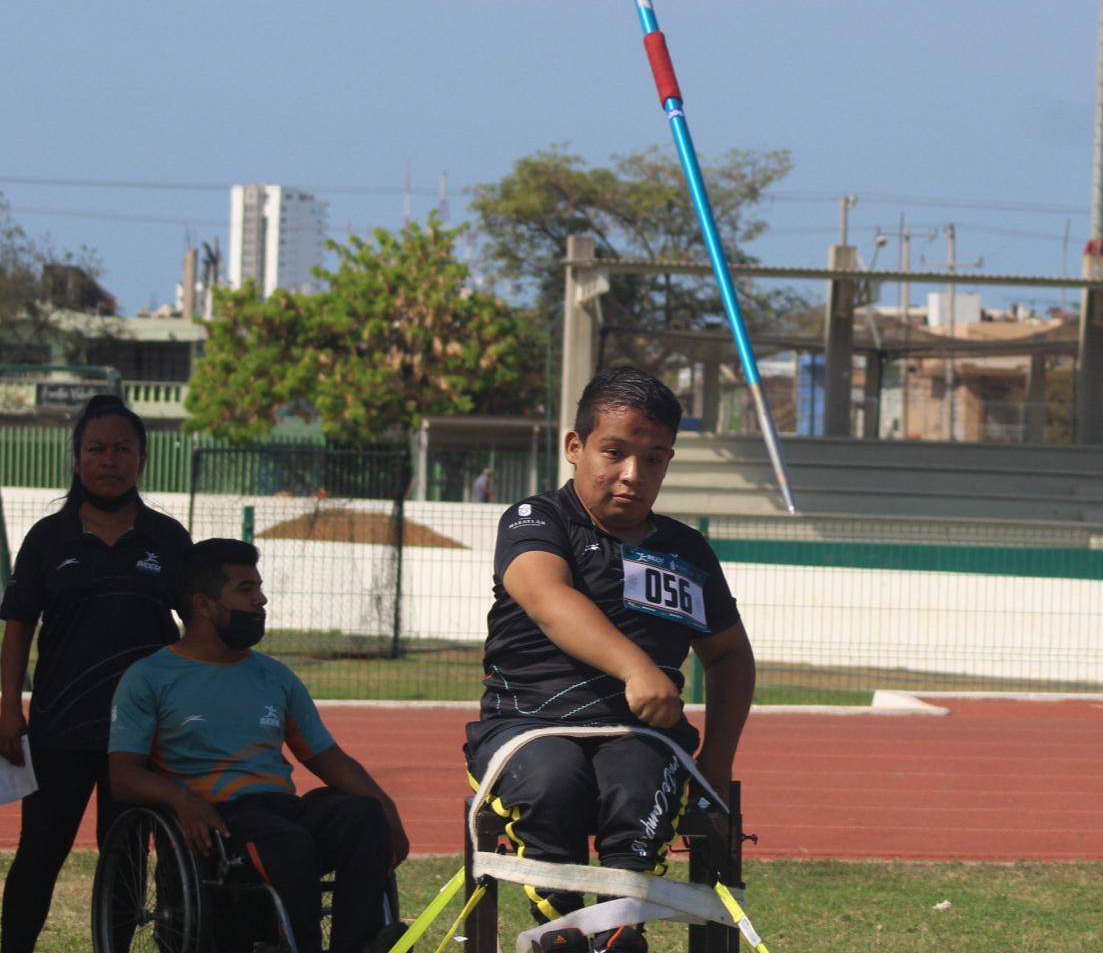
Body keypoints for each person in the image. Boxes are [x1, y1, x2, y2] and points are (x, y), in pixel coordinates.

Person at [464, 367, 756, 953]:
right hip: (526, 728)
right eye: (615, 452)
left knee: (639, 782)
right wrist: (636, 668)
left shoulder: (686, 549)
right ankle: (563, 931)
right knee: (553, 782)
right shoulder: (534, 520)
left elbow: (728, 654)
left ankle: (620, 933)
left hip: (642, 735)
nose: (633, 475)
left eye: (654, 459)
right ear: (575, 447)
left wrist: (718, 761)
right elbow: (548, 599)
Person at [108, 538, 409, 953]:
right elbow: (123, 776)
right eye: (246, 589)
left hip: (280, 809)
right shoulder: (150, 677)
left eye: (259, 588)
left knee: (361, 813)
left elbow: (328, 758)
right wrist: (182, 801)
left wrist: (387, 809)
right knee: (285, 839)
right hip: (218, 820)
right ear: (205, 604)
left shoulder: (275, 676)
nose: (261, 600)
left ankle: (357, 945)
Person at [0, 393, 193, 953]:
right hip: (60, 726)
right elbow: (18, 629)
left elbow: (200, 626)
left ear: (142, 460)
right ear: (78, 457)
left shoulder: (167, 538)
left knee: (126, 856)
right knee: (39, 853)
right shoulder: (47, 538)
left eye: (122, 449)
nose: (109, 460)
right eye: (97, 449)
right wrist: (9, 709)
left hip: (142, 733)